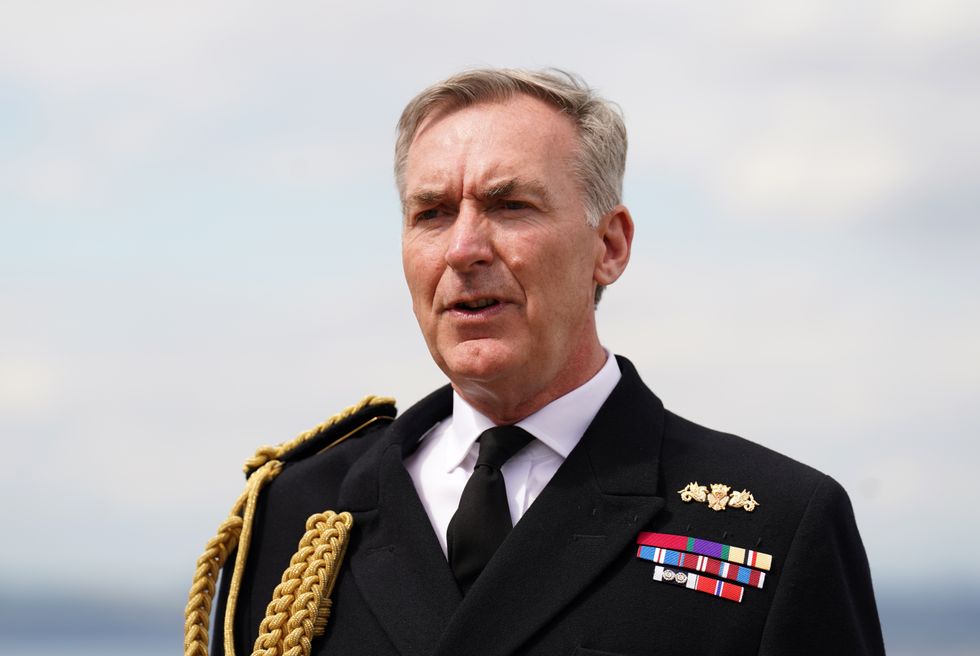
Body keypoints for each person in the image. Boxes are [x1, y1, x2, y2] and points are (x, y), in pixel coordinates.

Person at [185, 69, 885, 656]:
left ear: (608, 246)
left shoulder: (771, 528)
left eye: (509, 204)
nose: (463, 249)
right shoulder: (301, 512)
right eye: (431, 214)